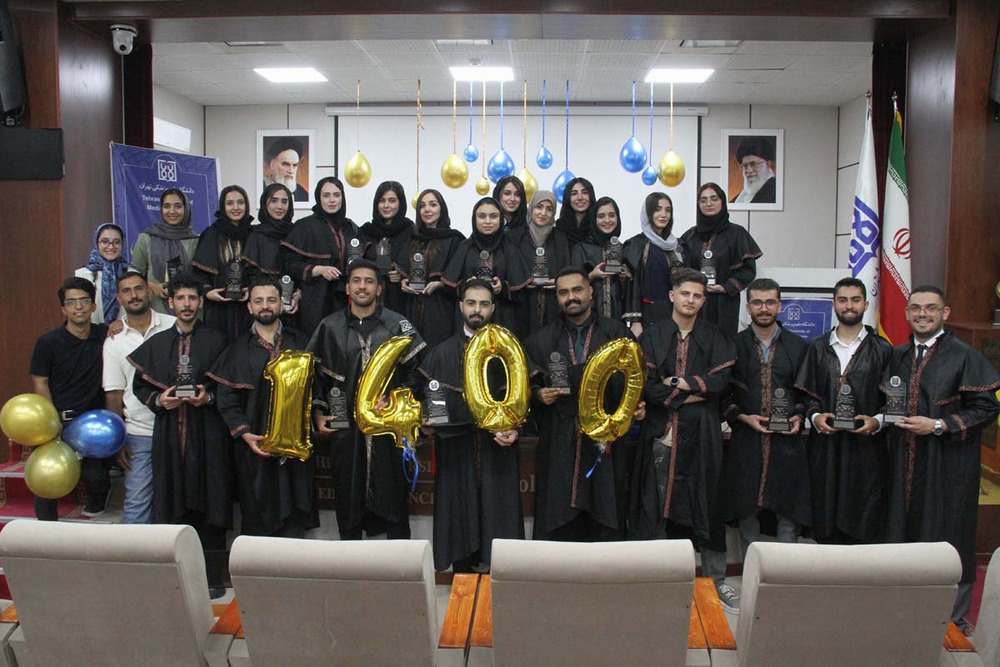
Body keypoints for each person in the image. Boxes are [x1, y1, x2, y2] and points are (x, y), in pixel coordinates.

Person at [883, 285, 1000, 633]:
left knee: (950, 535)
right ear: (907, 313)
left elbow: (987, 408)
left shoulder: (965, 356)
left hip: (948, 465)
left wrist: (939, 425)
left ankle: (954, 623)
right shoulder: (898, 355)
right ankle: (904, 616)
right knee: (903, 532)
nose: (923, 314)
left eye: (931, 308)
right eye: (916, 308)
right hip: (903, 462)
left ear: (944, 313)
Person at [631, 268, 737, 611]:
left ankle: (716, 583)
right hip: (661, 432)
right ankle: (656, 583)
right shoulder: (653, 335)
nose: (690, 300)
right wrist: (694, 394)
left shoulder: (715, 336)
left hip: (703, 434)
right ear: (672, 296)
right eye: (685, 293)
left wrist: (680, 383)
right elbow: (647, 385)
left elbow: (720, 383)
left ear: (703, 301)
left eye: (697, 295)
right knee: (656, 504)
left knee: (707, 503)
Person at [308, 260, 425, 540]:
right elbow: (315, 377)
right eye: (356, 281)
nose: (362, 286)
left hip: (388, 429)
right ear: (348, 287)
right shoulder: (329, 326)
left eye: (369, 281)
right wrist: (318, 412)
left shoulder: (398, 325)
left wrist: (395, 398)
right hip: (345, 430)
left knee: (393, 499)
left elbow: (419, 372)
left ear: (379, 288)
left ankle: (399, 564)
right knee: (348, 498)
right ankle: (350, 563)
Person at [128, 276, 230, 598]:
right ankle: (176, 577)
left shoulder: (218, 340)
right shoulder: (158, 343)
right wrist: (159, 401)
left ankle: (212, 577)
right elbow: (140, 386)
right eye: (181, 298)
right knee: (172, 502)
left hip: (208, 435)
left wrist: (208, 398)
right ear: (170, 303)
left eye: (192, 298)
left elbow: (229, 384)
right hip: (170, 434)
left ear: (200, 302)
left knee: (211, 502)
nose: (187, 304)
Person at [523, 267, 642, 541]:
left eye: (577, 290)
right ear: (557, 297)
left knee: (605, 506)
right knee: (559, 507)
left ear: (590, 291)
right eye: (563, 292)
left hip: (605, 435)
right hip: (559, 435)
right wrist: (539, 395)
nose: (571, 297)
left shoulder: (618, 335)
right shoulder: (540, 339)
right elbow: (526, 387)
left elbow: (634, 380)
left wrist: (636, 405)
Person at [418, 278, 523, 571]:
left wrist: (516, 430)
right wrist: (425, 425)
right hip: (455, 456)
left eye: (484, 304)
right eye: (471, 303)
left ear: (493, 308)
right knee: (460, 539)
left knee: (499, 547)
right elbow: (424, 406)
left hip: (497, 455)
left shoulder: (509, 352)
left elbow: (523, 403)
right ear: (461, 306)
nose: (477, 310)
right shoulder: (439, 354)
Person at [208, 277, 317, 537]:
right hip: (254, 447)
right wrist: (245, 433)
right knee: (257, 514)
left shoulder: (301, 343)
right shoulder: (236, 350)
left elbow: (318, 386)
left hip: (296, 447)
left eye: (271, 300)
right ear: (249, 307)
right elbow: (226, 400)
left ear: (281, 304)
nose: (265, 306)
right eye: (258, 301)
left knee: (295, 517)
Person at [795, 277, 893, 545]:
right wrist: (816, 417)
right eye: (843, 300)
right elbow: (806, 394)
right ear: (834, 305)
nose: (849, 306)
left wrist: (877, 421)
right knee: (825, 514)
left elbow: (895, 400)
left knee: (864, 514)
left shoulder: (883, 349)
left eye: (855, 300)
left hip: (866, 450)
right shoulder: (816, 347)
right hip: (825, 448)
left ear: (866, 304)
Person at [720, 278, 810, 558]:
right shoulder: (732, 345)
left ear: (779, 305)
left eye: (770, 302)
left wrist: (799, 417)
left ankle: (785, 574)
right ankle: (752, 572)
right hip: (746, 440)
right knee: (746, 510)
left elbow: (807, 393)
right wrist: (742, 417)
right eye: (757, 302)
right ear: (748, 307)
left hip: (787, 443)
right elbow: (722, 393)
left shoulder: (798, 346)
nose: (764, 308)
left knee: (788, 510)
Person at [29, 277, 111, 520]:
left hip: (93, 424)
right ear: (63, 309)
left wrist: (118, 325)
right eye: (71, 302)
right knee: (45, 478)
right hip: (58, 420)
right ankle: (46, 529)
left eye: (84, 300)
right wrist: (51, 421)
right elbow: (40, 382)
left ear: (93, 306)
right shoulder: (48, 342)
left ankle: (95, 509)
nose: (78, 307)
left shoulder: (105, 335)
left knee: (97, 477)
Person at [102, 271, 176, 524]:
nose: (134, 295)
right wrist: (118, 439)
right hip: (139, 433)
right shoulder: (114, 340)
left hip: (178, 428)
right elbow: (113, 394)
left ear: (149, 291)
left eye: (138, 288)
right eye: (127, 291)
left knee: (179, 500)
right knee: (136, 503)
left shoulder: (172, 325)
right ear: (119, 298)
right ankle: (134, 550)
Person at [281, 176, 364, 337]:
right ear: (318, 198)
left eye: (336, 195)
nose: (332, 200)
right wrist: (318, 269)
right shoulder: (304, 226)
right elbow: (290, 264)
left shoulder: (351, 227)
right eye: (326, 195)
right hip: (315, 298)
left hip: (346, 299)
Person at [681, 183, 762, 338]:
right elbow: (681, 270)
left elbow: (748, 270)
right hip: (695, 302)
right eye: (703, 200)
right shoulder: (690, 236)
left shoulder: (737, 233)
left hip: (724, 303)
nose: (708, 203)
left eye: (714, 199)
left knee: (722, 345)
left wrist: (725, 287)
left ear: (723, 202)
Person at [442, 197, 531, 338]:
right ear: (474, 219)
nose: (487, 221)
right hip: (469, 321)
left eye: (493, 216)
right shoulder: (464, 248)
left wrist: (503, 287)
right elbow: (448, 288)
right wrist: (466, 285)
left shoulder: (511, 249)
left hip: (503, 318)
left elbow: (522, 292)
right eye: (482, 216)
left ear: (501, 219)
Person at [397, 188, 464, 348]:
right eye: (422, 206)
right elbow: (404, 270)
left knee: (438, 351)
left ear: (442, 208)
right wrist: (404, 282)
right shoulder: (413, 238)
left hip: (441, 307)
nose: (427, 209)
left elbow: (461, 277)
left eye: (433, 205)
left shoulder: (453, 239)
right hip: (412, 305)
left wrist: (441, 284)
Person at [191, 185, 253, 343]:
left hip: (248, 307)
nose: (236, 207)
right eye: (230, 203)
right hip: (218, 308)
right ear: (222, 207)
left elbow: (259, 271)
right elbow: (198, 273)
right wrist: (207, 292)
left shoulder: (254, 234)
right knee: (218, 347)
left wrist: (252, 290)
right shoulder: (211, 234)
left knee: (247, 347)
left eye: (240, 202)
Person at [622, 192, 684, 336]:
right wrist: (635, 321)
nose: (663, 215)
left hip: (678, 315)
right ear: (648, 213)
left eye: (668, 210)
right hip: (649, 318)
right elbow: (632, 285)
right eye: (657, 209)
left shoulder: (678, 245)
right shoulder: (636, 245)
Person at [129, 189, 200, 314]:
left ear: (186, 209)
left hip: (188, 309)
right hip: (156, 308)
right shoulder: (146, 237)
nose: (172, 211)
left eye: (178, 206)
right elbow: (134, 275)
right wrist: (150, 285)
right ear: (161, 209)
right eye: (167, 206)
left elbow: (201, 277)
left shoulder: (196, 240)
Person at [510, 190, 572, 333]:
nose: (543, 213)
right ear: (531, 208)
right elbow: (509, 270)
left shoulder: (560, 238)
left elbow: (567, 270)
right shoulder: (516, 237)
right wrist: (522, 281)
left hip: (553, 306)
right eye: (539, 207)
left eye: (549, 209)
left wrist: (559, 281)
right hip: (522, 306)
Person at [243, 183, 300, 317]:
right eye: (274, 201)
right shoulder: (255, 234)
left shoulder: (297, 233)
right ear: (265, 204)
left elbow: (301, 271)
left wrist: (298, 294)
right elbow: (251, 276)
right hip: (264, 308)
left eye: (284, 202)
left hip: (292, 306)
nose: (280, 206)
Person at [572, 196, 632, 324]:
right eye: (601, 216)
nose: (607, 220)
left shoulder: (623, 249)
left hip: (617, 319)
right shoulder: (581, 248)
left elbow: (630, 294)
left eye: (611, 215)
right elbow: (571, 285)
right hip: (587, 319)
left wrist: (624, 278)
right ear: (594, 220)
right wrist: (592, 276)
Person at [360, 181, 415, 316]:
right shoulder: (365, 232)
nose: (386, 205)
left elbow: (420, 263)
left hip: (401, 301)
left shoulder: (411, 232)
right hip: (369, 300)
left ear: (400, 203)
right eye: (382, 200)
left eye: (392, 201)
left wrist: (403, 274)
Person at [75, 223, 128, 326]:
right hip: (92, 332)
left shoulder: (132, 273)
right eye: (105, 242)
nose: (111, 246)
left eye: (116, 242)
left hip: (126, 331)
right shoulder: (82, 275)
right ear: (97, 243)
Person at [730, 137, 777, 205]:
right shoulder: (738, 199)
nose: (749, 170)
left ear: (768, 164)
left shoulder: (775, 192)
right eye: (745, 166)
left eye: (753, 164)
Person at [262, 136, 308, 202]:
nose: (291, 171)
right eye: (286, 164)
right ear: (273, 165)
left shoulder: (303, 194)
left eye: (294, 165)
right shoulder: (260, 187)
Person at [554, 177, 596, 248]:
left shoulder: (598, 227)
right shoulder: (559, 228)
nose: (580, 198)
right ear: (567, 198)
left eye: (585, 192)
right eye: (574, 193)